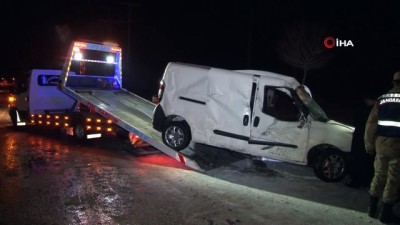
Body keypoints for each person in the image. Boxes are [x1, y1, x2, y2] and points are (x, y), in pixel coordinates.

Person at [365, 71, 400, 223]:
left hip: (381, 144)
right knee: (393, 179)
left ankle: (372, 208)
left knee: (379, 175)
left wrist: (369, 144)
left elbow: (371, 124)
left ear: (393, 83)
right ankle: (386, 213)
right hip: (398, 146)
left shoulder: (382, 99)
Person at [345, 96, 376, 189]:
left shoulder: (371, 110)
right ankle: (364, 181)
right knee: (366, 160)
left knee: (360, 159)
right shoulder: (373, 110)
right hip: (367, 138)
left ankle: (357, 181)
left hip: (363, 138)